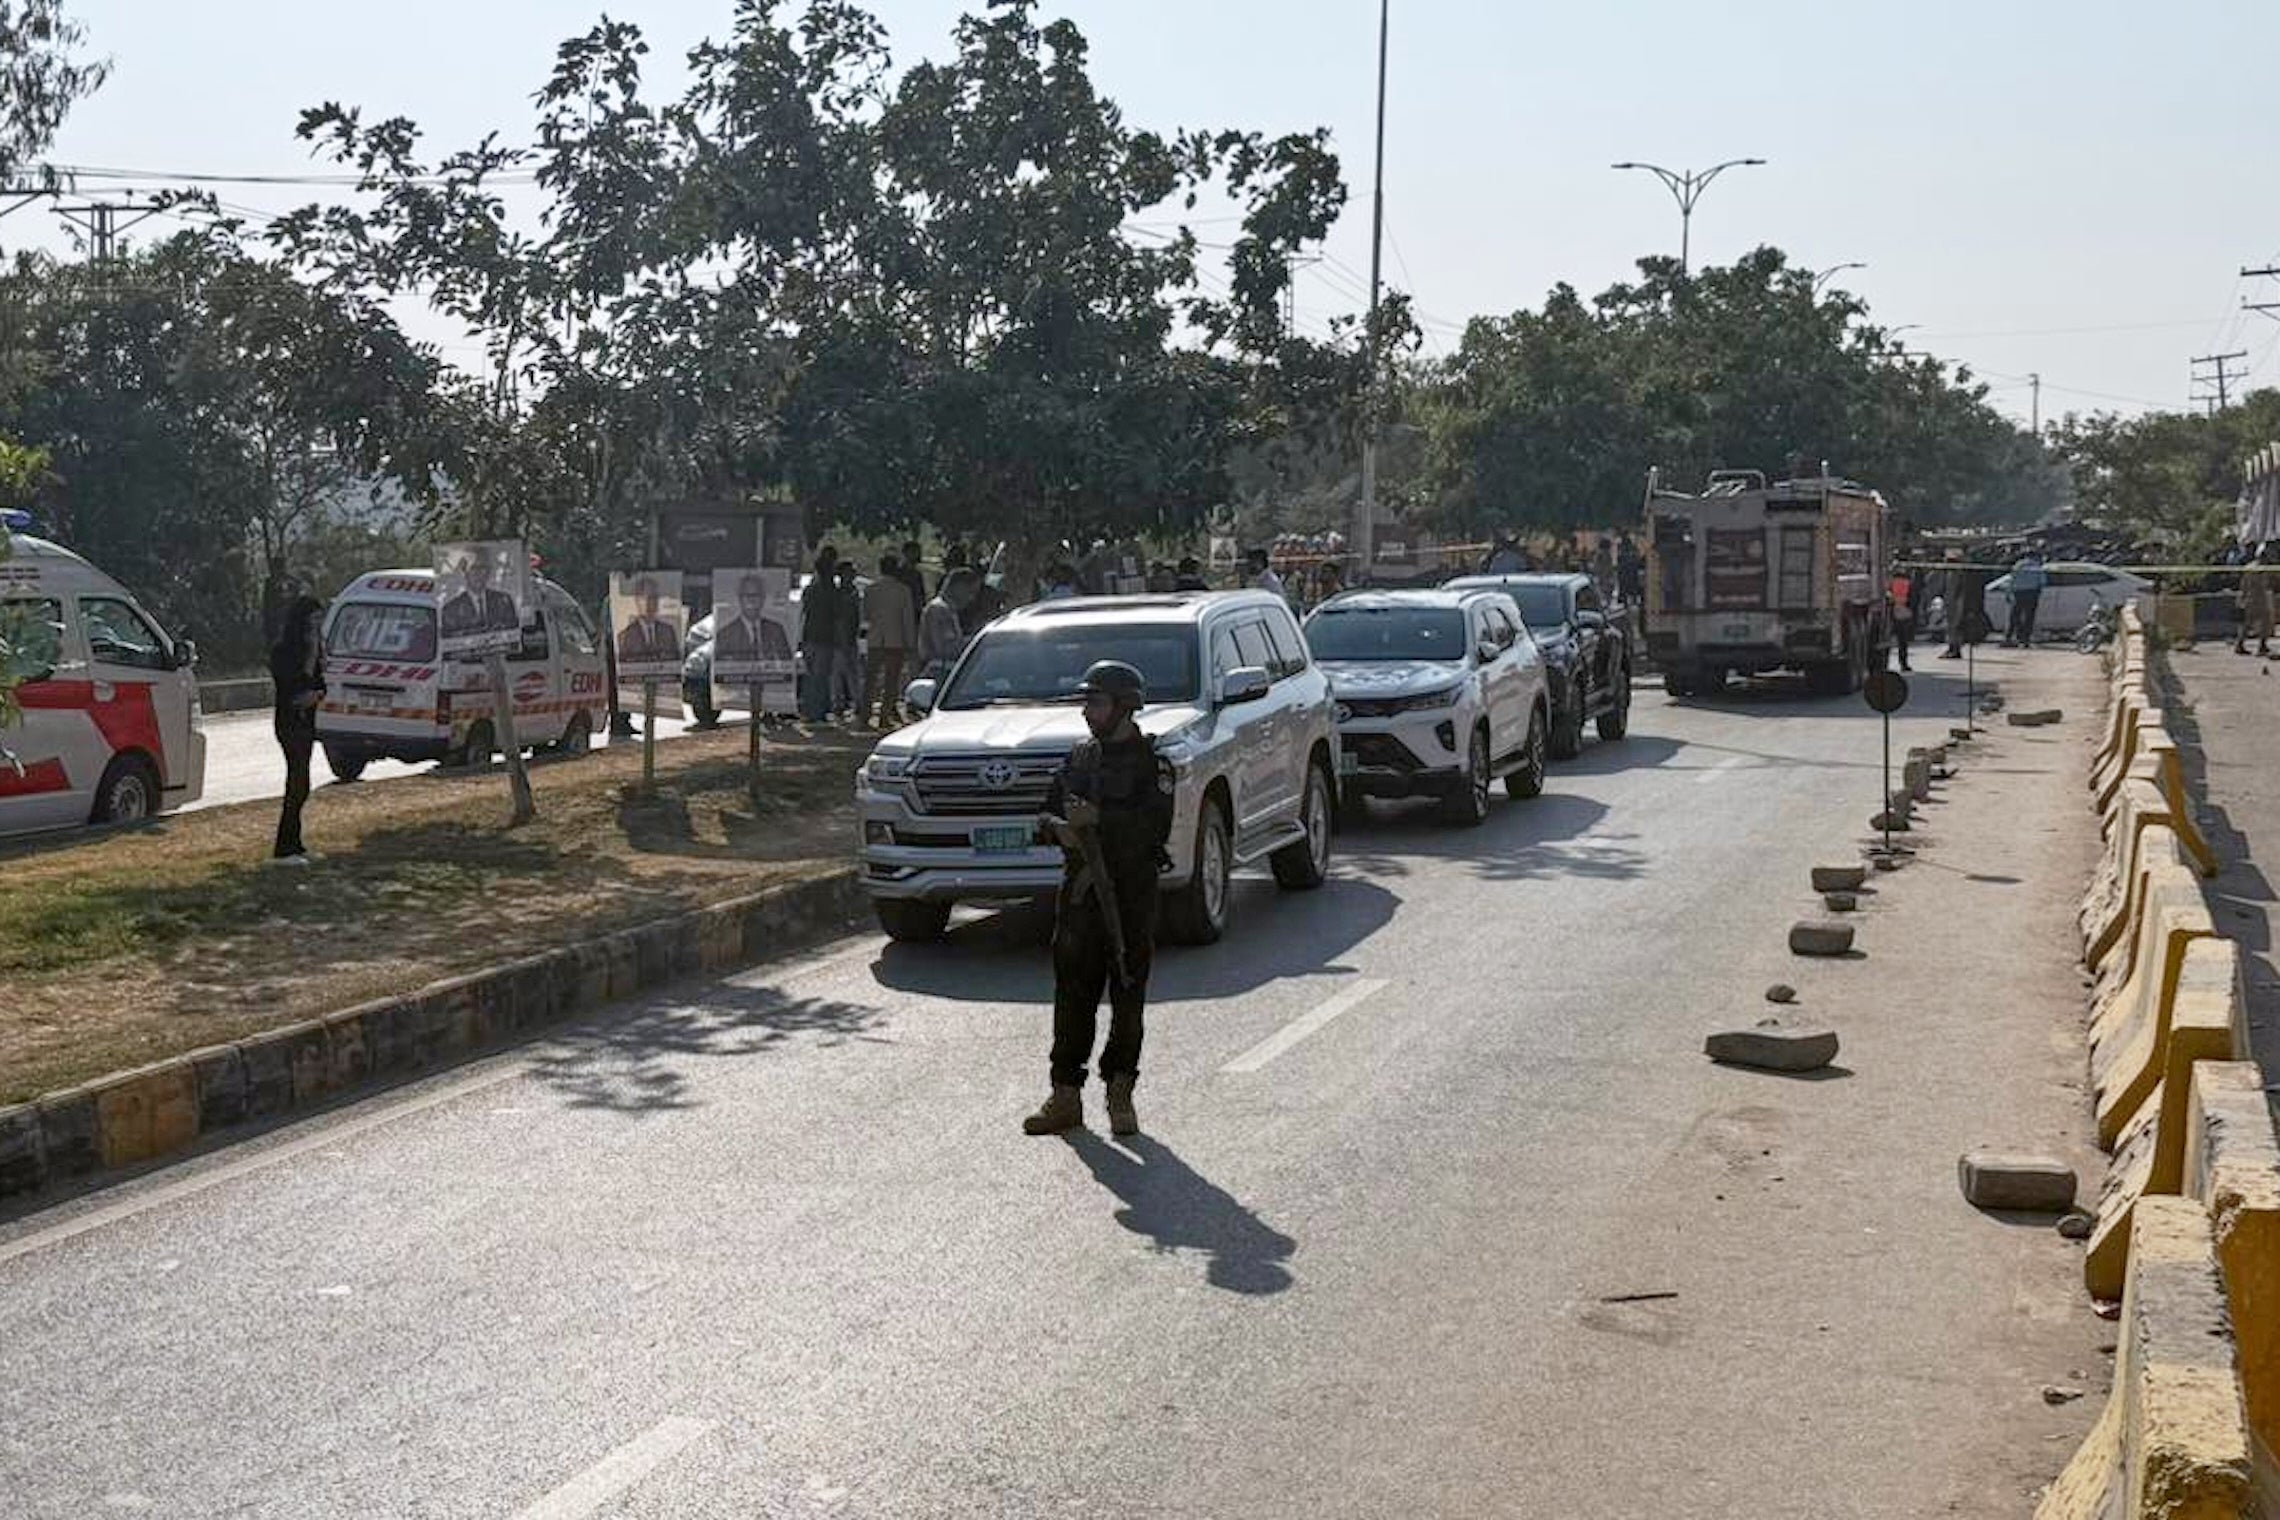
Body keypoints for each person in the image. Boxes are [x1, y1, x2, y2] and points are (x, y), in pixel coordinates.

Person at [1022, 660, 1175, 1138]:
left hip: (1130, 895)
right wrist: (1060, 830)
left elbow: (1155, 830)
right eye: (1086, 702)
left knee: (1127, 993)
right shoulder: (1079, 757)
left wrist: (1100, 822)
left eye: (1098, 702)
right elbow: (1044, 814)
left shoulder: (1154, 764)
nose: (1088, 711)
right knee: (1072, 995)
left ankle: (1120, 1091)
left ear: (1125, 707)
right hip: (1080, 898)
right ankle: (1065, 1094)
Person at [267, 595, 327, 864]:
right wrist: (310, 656)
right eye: (313, 621)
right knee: (297, 781)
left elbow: (319, 683)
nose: (316, 627)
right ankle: (284, 847)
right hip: (290, 721)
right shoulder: (285, 651)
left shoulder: (314, 651)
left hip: (307, 720)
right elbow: (292, 685)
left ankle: (296, 842)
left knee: (302, 783)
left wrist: (316, 692)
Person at [863, 553, 920, 724]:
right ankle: (884, 716)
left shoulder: (870, 590)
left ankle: (864, 715)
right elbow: (907, 618)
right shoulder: (903, 590)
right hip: (896, 640)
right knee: (891, 681)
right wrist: (911, 643)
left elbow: (866, 614)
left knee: (870, 680)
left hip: (875, 638)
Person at [799, 550, 847, 721]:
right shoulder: (832, 592)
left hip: (809, 637)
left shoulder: (809, 590)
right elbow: (838, 618)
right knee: (821, 677)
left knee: (810, 676)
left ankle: (808, 710)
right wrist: (842, 640)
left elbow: (804, 613)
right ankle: (817, 712)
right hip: (825, 639)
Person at [714, 571, 795, 666]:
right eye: (746, 595)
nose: (751, 600)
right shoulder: (725, 634)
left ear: (763, 598)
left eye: (755, 595)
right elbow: (720, 667)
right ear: (740, 599)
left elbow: (787, 663)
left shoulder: (777, 630)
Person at [441, 545, 517, 641]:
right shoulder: (451, 609)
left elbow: (512, 631)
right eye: (473, 568)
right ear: (464, 572)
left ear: (488, 571)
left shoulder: (503, 601)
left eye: (482, 568)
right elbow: (450, 638)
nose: (478, 573)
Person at [919, 567, 978, 679]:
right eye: (970, 592)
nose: (972, 598)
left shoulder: (949, 610)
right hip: (939, 672)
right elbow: (945, 649)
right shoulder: (939, 610)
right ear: (958, 587)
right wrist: (975, 641)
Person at [615, 577, 679, 668]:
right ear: (637, 601)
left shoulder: (668, 632)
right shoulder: (625, 636)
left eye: (653, 598)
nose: (649, 603)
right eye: (644, 598)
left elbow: (675, 663)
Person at [829, 559, 865, 719]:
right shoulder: (838, 594)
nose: (851, 575)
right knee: (838, 674)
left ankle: (858, 703)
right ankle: (838, 704)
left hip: (852, 637)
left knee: (853, 673)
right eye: (848, 572)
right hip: (838, 639)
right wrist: (842, 640)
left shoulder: (854, 592)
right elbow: (838, 619)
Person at [2239, 542, 2275, 658]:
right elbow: (2258, 582)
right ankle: (2256, 645)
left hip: (2256, 597)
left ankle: (2259, 645)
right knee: (2252, 622)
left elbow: (2243, 585)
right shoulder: (2258, 568)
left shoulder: (2251, 567)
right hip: (2257, 598)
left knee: (2257, 622)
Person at [2006, 550, 2047, 647]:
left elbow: (2011, 580)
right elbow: (2043, 581)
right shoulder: (2037, 567)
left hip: (2018, 593)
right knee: (2029, 617)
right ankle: (2025, 639)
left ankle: (2014, 635)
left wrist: (2009, 593)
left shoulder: (2018, 565)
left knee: (2015, 615)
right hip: (2032, 593)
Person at [1887, 568, 1915, 672]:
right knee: (1902, 642)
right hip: (1905, 614)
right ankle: (1903, 664)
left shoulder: (1892, 583)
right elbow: (1913, 599)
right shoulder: (1908, 584)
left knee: (1890, 640)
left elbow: (1888, 596)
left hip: (1892, 613)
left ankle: (1892, 663)